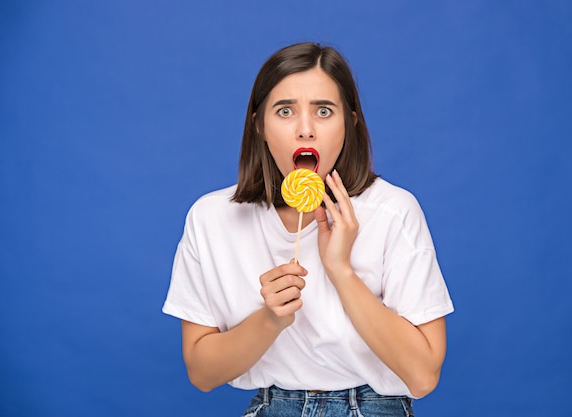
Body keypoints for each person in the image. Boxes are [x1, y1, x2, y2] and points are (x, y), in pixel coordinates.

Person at [162, 42, 454, 417]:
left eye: (324, 111)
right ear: (259, 126)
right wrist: (269, 320)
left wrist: (341, 272)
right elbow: (201, 373)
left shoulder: (392, 212)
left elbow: (423, 376)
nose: (305, 130)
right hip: (271, 406)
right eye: (285, 111)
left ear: (350, 123)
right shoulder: (211, 219)